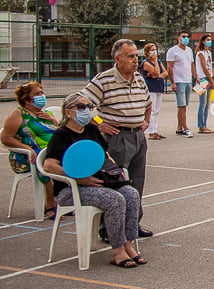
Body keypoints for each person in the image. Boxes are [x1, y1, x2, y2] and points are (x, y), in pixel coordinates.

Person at [42, 93, 146, 268]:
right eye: (81, 108)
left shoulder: (91, 130)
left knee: (131, 193)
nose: (87, 111)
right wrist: (78, 178)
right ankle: (117, 250)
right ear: (69, 113)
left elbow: (103, 155)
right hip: (71, 189)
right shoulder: (62, 135)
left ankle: (128, 243)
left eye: (89, 107)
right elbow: (48, 165)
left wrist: (113, 171)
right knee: (114, 199)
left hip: (98, 181)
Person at [83, 39, 153, 239]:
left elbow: (148, 103)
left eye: (136, 56)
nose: (134, 61)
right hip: (117, 137)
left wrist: (145, 121)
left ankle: (132, 224)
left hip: (137, 135)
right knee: (115, 183)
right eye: (130, 57)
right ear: (117, 58)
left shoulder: (139, 79)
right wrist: (99, 123)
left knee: (136, 183)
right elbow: (81, 104)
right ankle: (109, 229)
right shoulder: (103, 80)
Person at [2, 82, 59, 218]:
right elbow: (6, 138)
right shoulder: (18, 114)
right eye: (37, 94)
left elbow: (60, 133)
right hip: (27, 156)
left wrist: (54, 121)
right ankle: (50, 205)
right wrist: (27, 148)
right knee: (45, 158)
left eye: (42, 92)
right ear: (26, 99)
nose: (42, 96)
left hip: (51, 151)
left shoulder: (46, 114)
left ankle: (66, 201)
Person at [166, 31, 196, 138]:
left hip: (188, 81)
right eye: (184, 37)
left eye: (187, 37)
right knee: (181, 106)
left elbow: (192, 64)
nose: (186, 38)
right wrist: (172, 82)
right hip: (179, 81)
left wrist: (195, 77)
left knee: (184, 106)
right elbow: (169, 67)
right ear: (178, 38)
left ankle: (179, 127)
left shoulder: (189, 50)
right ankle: (185, 128)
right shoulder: (172, 51)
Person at [141, 42, 168, 140]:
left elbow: (165, 73)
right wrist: (155, 61)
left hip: (158, 87)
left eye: (155, 50)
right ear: (147, 52)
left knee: (156, 110)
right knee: (151, 110)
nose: (154, 52)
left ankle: (155, 130)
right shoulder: (146, 63)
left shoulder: (159, 61)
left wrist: (158, 75)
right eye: (152, 50)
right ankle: (150, 131)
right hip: (151, 88)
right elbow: (156, 72)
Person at [194, 33, 214, 134]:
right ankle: (201, 125)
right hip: (202, 79)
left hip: (209, 78)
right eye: (207, 39)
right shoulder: (200, 53)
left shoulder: (209, 53)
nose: (209, 41)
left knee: (207, 104)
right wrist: (210, 80)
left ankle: (205, 124)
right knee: (202, 103)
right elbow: (204, 68)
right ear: (203, 41)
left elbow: (210, 66)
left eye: (210, 40)